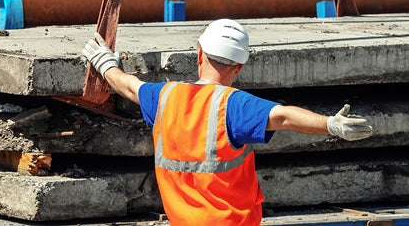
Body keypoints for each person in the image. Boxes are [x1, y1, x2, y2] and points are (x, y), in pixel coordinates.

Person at [82, 18, 373, 226]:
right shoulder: (233, 106)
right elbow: (284, 116)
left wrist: (105, 63)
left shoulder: (165, 96)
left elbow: (130, 86)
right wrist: (330, 125)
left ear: (199, 53)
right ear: (240, 65)